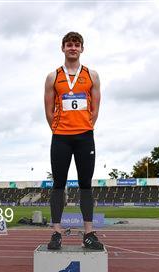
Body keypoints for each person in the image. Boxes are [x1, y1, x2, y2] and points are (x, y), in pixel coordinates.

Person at [44, 32, 103, 250]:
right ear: (63, 48)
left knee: (85, 184)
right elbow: (49, 110)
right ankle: (56, 233)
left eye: (77, 45)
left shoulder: (92, 75)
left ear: (82, 49)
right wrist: (60, 129)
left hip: (85, 136)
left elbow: (95, 109)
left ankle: (88, 233)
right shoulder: (53, 77)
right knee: (58, 184)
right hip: (60, 137)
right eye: (69, 44)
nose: (73, 48)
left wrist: (84, 126)